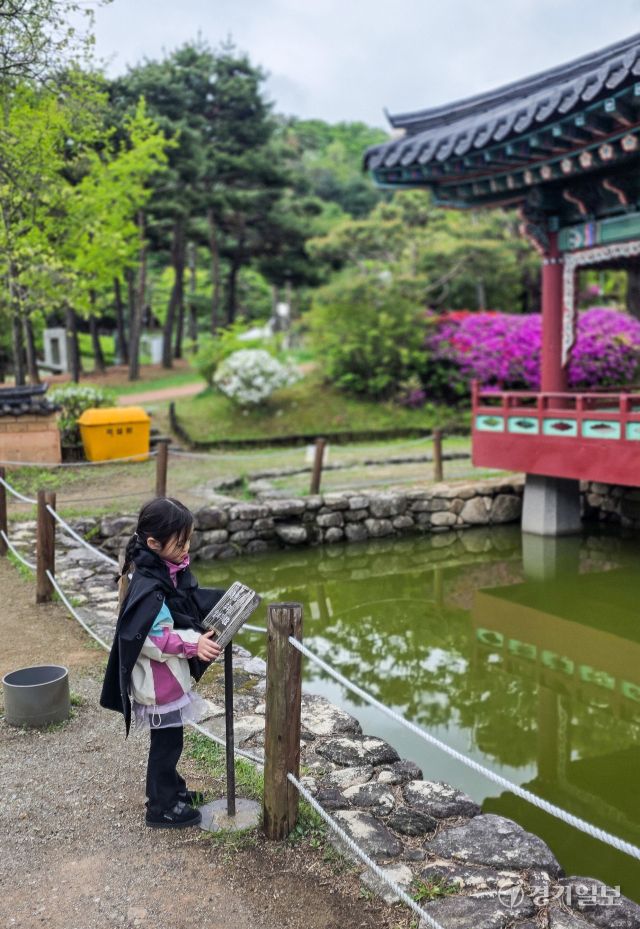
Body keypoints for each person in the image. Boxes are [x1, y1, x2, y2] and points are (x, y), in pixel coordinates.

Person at [100, 496, 225, 829]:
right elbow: (156, 638)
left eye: (188, 541)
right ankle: (161, 807)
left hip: (166, 679)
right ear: (153, 543)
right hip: (158, 683)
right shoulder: (148, 585)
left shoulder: (163, 572)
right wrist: (193, 643)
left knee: (170, 742)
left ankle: (173, 791)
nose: (186, 549)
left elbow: (181, 605)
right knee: (166, 746)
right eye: (180, 543)